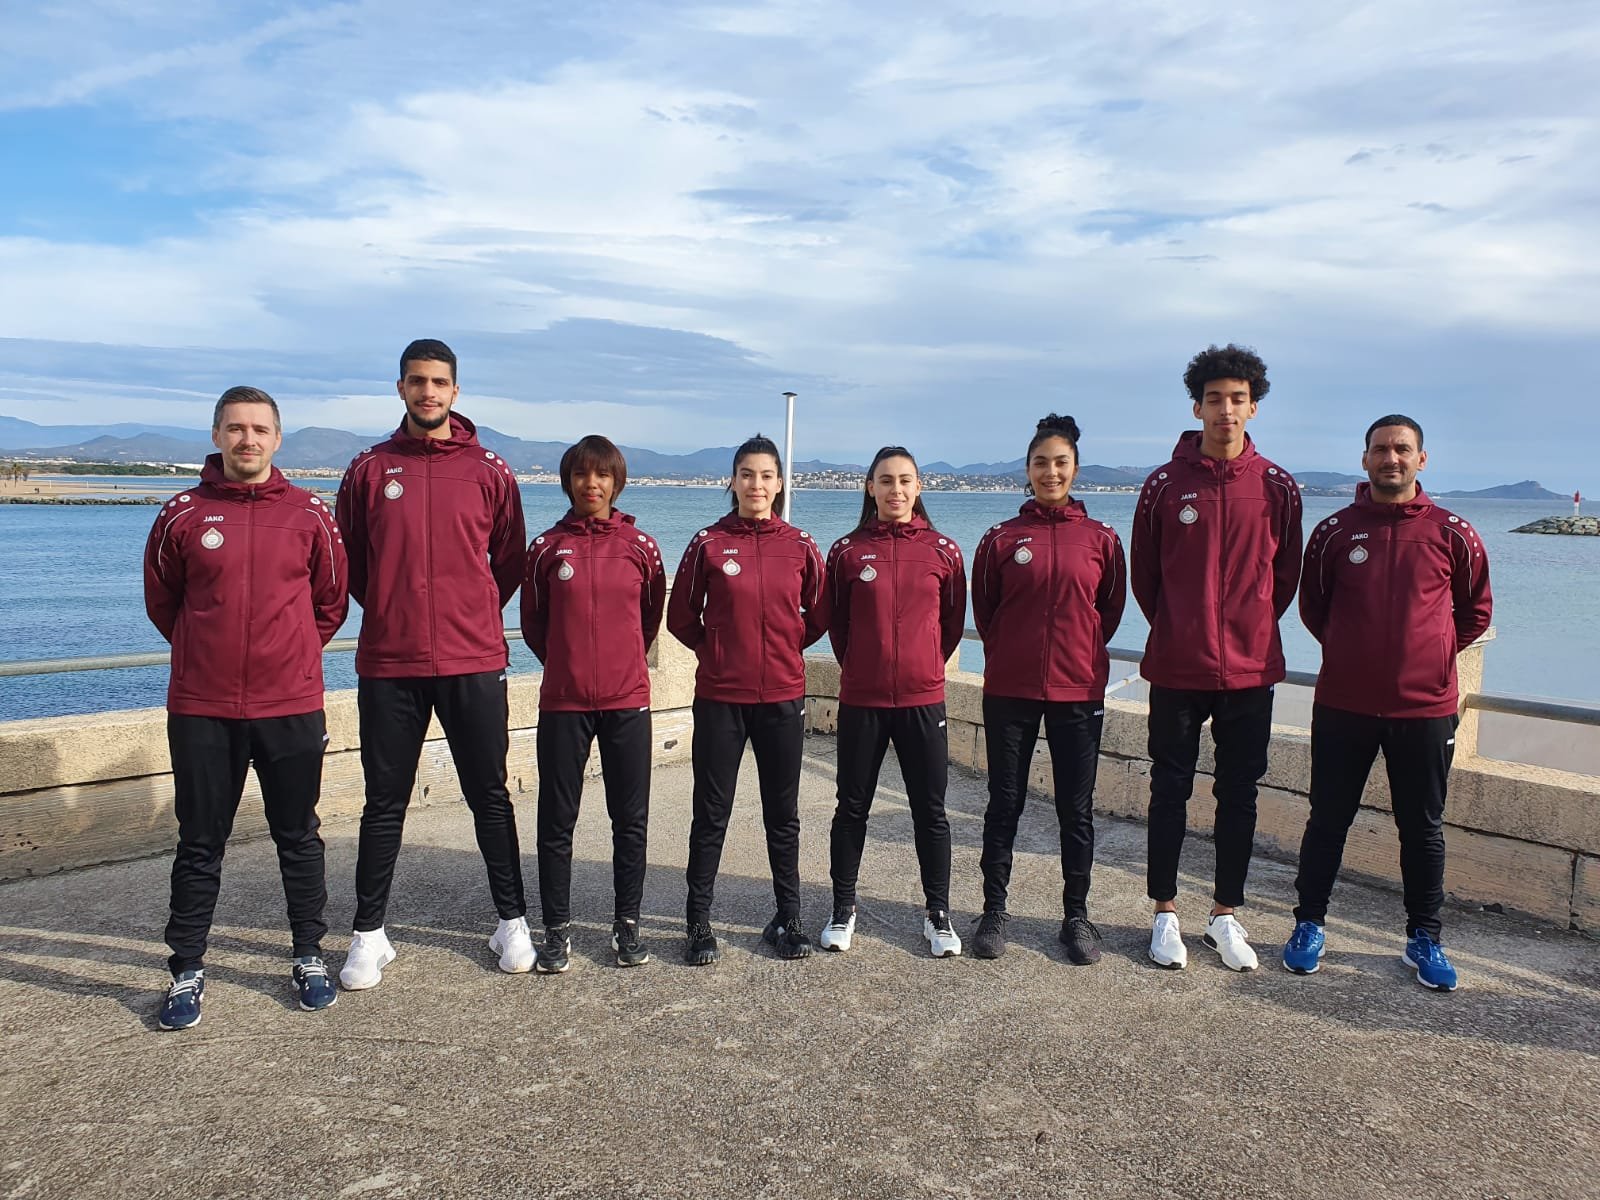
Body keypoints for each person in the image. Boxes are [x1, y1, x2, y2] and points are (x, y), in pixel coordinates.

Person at [143, 386, 348, 1029]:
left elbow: (331, 602)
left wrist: (288, 655)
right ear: (216, 435)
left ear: (277, 439)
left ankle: (309, 955)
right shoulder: (181, 514)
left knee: (299, 835)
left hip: (289, 704)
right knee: (200, 841)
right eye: (235, 428)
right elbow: (163, 604)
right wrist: (207, 654)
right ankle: (186, 968)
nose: (248, 439)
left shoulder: (310, 514)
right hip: (202, 707)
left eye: (259, 429)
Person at [335, 339, 531, 990]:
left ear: (455, 391)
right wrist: (395, 608)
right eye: (417, 381)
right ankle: (368, 935)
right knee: (383, 801)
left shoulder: (489, 470)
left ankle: (512, 921)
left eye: (439, 382)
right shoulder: (368, 470)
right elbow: (350, 562)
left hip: (472, 657)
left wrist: (468, 610)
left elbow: (508, 560)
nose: (428, 392)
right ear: (401, 388)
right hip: (390, 661)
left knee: (489, 794)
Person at [1284, 416, 1492, 990]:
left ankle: (1424, 937)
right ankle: (1308, 924)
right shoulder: (1333, 532)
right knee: (1328, 820)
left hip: (1424, 709)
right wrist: (1353, 653)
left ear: (1421, 459)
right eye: (1380, 449)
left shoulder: (1454, 533)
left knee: (1422, 829)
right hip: (1343, 704)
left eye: (1402, 449)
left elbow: (1475, 611)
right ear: (1365, 459)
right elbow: (1314, 608)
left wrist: (1430, 655)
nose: (1391, 458)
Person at [1133, 344, 1302, 972]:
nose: (1225, 410)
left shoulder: (1277, 486)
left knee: (1239, 794)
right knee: (1169, 790)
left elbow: (1286, 577)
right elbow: (1146, 577)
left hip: (1250, 670)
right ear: (1197, 408)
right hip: (1178, 665)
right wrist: (1181, 626)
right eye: (1214, 399)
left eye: (1237, 399)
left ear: (1253, 407)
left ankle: (1225, 915)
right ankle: (1164, 913)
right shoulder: (1163, 485)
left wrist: (1249, 626)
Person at [969, 415, 1126, 964]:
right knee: (1004, 803)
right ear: (1028, 470)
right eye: (1041, 463)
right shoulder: (1000, 538)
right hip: (1010, 689)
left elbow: (1108, 611)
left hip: (1078, 690)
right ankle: (993, 911)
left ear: (1075, 469)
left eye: (1060, 463)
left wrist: (1076, 653)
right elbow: (986, 612)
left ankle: (1076, 917)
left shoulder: (1102, 539)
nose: (1050, 472)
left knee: (1075, 810)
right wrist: (1014, 654)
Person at [667, 434, 828, 964]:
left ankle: (789, 918)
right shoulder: (708, 543)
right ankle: (698, 922)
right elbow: (681, 616)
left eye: (766, 475)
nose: (756, 484)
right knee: (711, 813)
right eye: (746, 474)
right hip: (721, 697)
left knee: (783, 815)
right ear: (733, 481)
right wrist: (719, 651)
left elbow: (818, 614)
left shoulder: (800, 544)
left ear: (779, 484)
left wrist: (783, 648)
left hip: (782, 696)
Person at [521, 435, 666, 971]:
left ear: (616, 482)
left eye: (602, 475)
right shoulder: (546, 548)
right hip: (564, 703)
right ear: (568, 481)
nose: (592, 484)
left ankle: (627, 926)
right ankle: (555, 931)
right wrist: (568, 663)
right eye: (581, 474)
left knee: (630, 820)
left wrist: (620, 663)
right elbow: (534, 625)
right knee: (557, 821)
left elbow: (649, 617)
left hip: (627, 701)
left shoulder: (641, 546)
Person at [819, 447, 966, 957]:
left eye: (905, 480)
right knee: (851, 807)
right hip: (863, 699)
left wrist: (922, 666)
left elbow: (950, 626)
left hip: (923, 700)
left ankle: (938, 912)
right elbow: (837, 625)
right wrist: (864, 666)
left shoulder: (944, 551)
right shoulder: (846, 551)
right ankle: (843, 906)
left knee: (931, 810)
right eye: (886, 480)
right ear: (870, 488)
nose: (896, 490)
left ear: (919, 487)